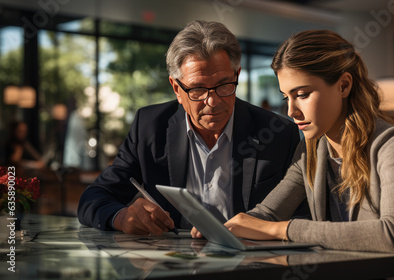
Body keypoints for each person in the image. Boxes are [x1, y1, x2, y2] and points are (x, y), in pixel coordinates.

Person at [193, 30, 394, 279]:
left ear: (343, 86)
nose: (291, 111)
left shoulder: (391, 143)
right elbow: (268, 214)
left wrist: (282, 230)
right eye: (287, 97)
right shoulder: (311, 150)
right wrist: (222, 228)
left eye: (302, 94)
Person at [77, 20, 302, 236]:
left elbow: (299, 218)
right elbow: (94, 198)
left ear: (237, 76)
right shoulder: (149, 127)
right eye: (197, 90)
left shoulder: (278, 133)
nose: (212, 101)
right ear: (176, 88)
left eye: (224, 85)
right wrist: (121, 217)